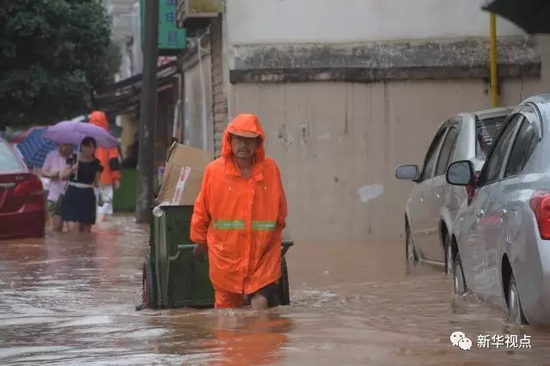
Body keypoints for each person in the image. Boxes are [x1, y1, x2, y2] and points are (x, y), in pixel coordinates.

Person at [190, 113, 288, 311]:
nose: (243, 145)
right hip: (225, 255)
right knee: (227, 311)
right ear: (229, 140)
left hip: (263, 253)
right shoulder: (214, 171)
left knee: (261, 303)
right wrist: (200, 241)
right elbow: (202, 210)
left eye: (249, 140)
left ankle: (259, 342)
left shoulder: (271, 170)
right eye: (238, 139)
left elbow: (281, 209)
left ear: (258, 143)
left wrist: (273, 236)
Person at [60, 137, 103, 233]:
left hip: (87, 195)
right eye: (85, 146)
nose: (87, 149)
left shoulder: (97, 163)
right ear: (81, 147)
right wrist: (72, 169)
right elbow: (62, 176)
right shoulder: (73, 159)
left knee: (86, 230)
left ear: (95, 148)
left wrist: (100, 192)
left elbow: (96, 182)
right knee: (72, 227)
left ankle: (84, 248)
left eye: (90, 147)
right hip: (72, 193)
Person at [89, 111, 121, 222]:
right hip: (105, 180)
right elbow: (113, 161)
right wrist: (116, 178)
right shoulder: (109, 140)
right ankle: (100, 235)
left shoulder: (87, 140)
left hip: (91, 180)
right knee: (103, 210)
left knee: (96, 209)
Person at [40, 144, 74, 231]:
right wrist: (51, 174)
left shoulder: (75, 157)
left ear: (71, 145)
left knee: (72, 229)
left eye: (66, 145)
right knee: (56, 227)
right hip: (54, 197)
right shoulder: (51, 155)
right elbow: (43, 172)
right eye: (61, 145)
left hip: (72, 197)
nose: (63, 148)